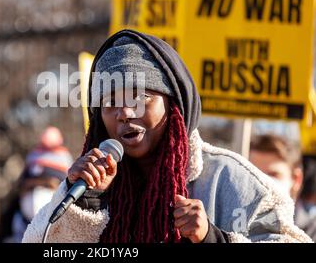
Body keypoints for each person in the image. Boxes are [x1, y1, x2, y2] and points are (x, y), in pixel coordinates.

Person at [23, 29, 311, 243]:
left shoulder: (231, 180)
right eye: (110, 104)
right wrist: (86, 203)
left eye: (140, 98)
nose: (124, 112)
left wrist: (213, 238)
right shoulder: (86, 188)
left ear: (174, 107)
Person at [0, 126, 73, 243]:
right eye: (30, 187)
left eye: (47, 186)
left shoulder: (80, 234)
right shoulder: (4, 235)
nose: (36, 193)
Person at [249, 134, 316, 241]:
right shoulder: (230, 223)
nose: (261, 183)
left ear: (296, 179)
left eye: (273, 175)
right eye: (255, 175)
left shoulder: (312, 230)